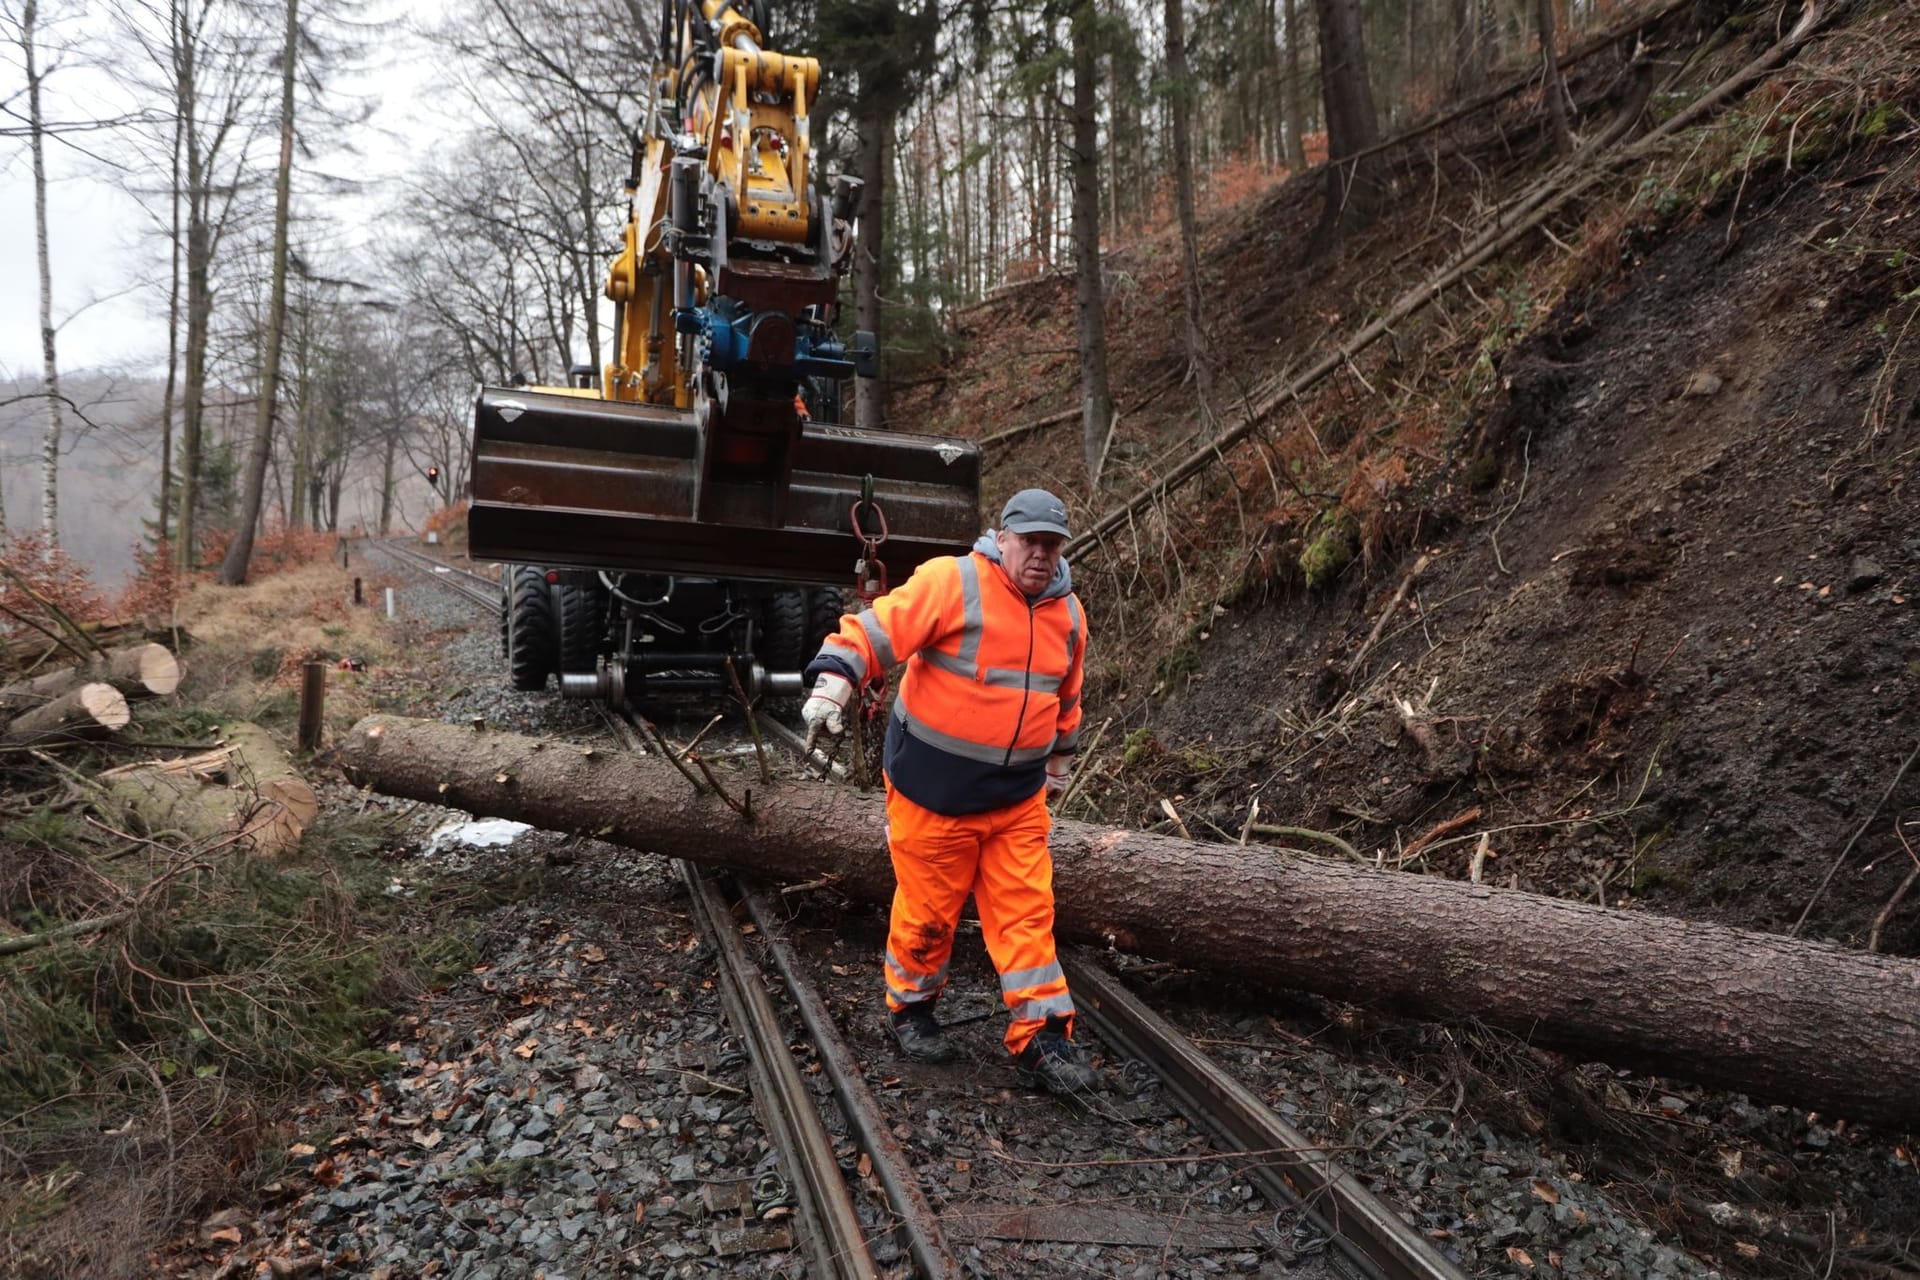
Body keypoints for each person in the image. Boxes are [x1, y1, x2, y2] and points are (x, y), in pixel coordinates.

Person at [801, 488, 1099, 1094]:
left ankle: (1042, 1036)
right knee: (930, 913)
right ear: (1004, 538)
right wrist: (837, 676)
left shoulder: (1068, 615)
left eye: (1051, 544)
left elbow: (1064, 696)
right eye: (1030, 541)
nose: (1040, 555)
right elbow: (877, 629)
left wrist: (1060, 760)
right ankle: (910, 1010)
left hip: (1015, 800)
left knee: (1027, 913)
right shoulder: (953, 583)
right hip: (932, 793)